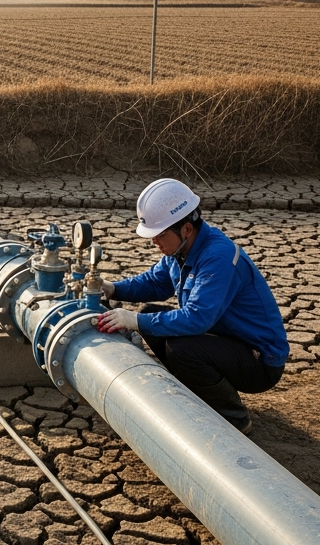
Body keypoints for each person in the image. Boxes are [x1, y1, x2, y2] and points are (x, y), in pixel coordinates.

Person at [95, 178, 288, 434]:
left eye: (159, 235)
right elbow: (155, 282)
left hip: (260, 361)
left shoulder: (216, 257)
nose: (154, 242)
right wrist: (114, 288)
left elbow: (197, 318)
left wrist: (134, 321)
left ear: (186, 229)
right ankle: (197, 393)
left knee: (181, 348)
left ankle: (235, 420)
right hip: (227, 341)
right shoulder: (181, 251)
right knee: (150, 315)